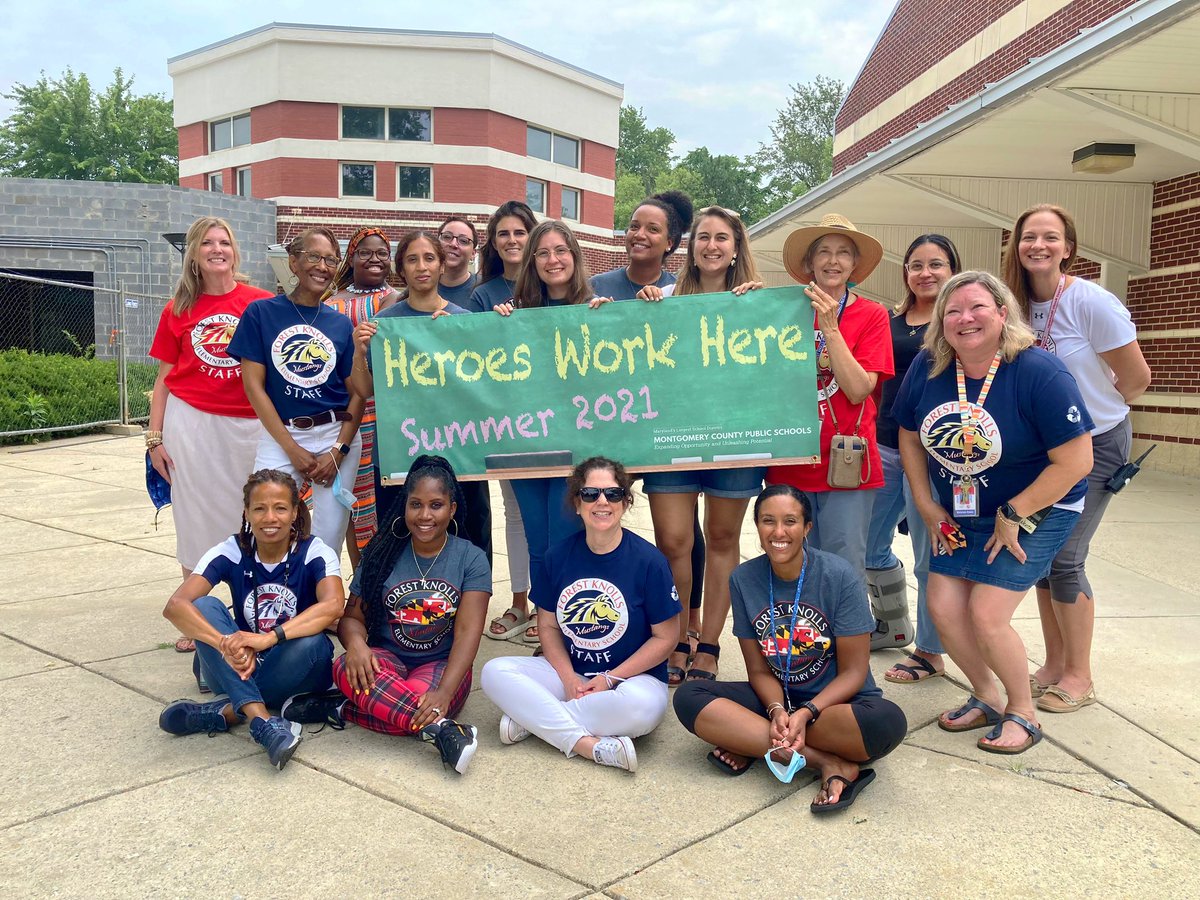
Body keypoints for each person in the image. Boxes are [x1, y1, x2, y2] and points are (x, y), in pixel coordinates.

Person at [893, 271, 1094, 754]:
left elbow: (1076, 460)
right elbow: (908, 434)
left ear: (1003, 313)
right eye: (953, 311)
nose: (965, 319)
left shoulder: (1039, 370)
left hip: (1039, 504)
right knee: (943, 608)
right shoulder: (930, 366)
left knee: (986, 613)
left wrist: (1014, 511)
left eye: (978, 307)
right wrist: (925, 502)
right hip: (961, 508)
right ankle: (985, 694)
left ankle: (1021, 710)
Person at [673, 485, 907, 812]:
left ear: (807, 528)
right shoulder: (743, 579)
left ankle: (750, 741)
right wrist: (776, 711)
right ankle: (826, 762)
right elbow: (757, 669)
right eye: (768, 521)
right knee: (689, 697)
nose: (779, 532)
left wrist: (806, 713)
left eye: (790, 521)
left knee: (887, 723)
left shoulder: (838, 575)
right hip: (779, 700)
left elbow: (855, 672)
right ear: (757, 526)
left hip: (836, 707)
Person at [1003, 204, 1151, 713]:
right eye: (1028, 237)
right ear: (1016, 245)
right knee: (1045, 560)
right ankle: (1054, 664)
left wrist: (1089, 415)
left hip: (1098, 444)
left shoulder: (1092, 302)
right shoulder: (1015, 305)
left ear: (1069, 247)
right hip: (1045, 451)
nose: (1038, 246)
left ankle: (1080, 676)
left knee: (1067, 558)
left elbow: (1135, 379)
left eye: (1050, 237)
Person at [281, 456, 489, 774]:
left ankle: (343, 708)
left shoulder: (470, 558)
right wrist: (357, 647)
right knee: (345, 665)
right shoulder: (382, 552)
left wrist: (445, 692)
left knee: (419, 704)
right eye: (416, 504)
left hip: (440, 665)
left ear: (452, 509)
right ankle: (443, 730)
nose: (424, 515)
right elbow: (352, 617)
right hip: (387, 658)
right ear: (404, 506)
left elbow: (468, 633)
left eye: (436, 505)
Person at [481, 457, 681, 772]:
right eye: (590, 494)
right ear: (577, 503)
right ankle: (588, 745)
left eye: (612, 494)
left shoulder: (650, 561)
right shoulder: (557, 556)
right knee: (494, 672)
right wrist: (567, 677)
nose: (602, 502)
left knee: (644, 709)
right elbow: (547, 626)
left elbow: (667, 637)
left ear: (625, 503)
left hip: (630, 680)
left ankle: (533, 720)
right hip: (572, 676)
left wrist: (610, 678)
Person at [635, 206, 766, 684]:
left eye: (722, 239)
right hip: (671, 437)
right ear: (690, 247)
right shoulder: (664, 298)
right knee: (673, 541)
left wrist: (763, 308)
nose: (711, 246)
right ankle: (676, 636)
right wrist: (636, 310)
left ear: (736, 248)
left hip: (734, 436)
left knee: (724, 540)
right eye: (703, 237)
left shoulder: (755, 301)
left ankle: (708, 643)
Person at [158, 469, 345, 771]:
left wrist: (268, 638)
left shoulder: (315, 552)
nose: (270, 518)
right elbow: (175, 606)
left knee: (314, 643)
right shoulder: (232, 550)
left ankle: (229, 711)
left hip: (294, 664)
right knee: (204, 606)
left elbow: (334, 605)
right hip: (239, 661)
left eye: (280, 508)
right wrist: (223, 642)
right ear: (246, 512)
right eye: (259, 508)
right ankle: (261, 719)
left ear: (296, 511)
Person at [767, 214, 894, 635]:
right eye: (823, 251)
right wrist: (742, 304)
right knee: (789, 563)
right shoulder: (779, 311)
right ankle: (801, 651)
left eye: (843, 253)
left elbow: (859, 389)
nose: (833, 261)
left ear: (855, 265)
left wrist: (829, 328)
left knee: (842, 568)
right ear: (809, 263)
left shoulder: (873, 315)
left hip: (847, 464)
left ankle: (850, 666)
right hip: (790, 458)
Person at [490, 221, 613, 647]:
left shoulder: (599, 309)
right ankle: (550, 627)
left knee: (567, 537)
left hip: (578, 448)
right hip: (528, 444)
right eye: (542, 253)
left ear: (575, 257)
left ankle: (572, 625)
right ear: (532, 262)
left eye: (560, 251)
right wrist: (499, 326)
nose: (552, 260)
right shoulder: (516, 314)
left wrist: (613, 321)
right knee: (539, 541)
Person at [147, 216, 273, 607]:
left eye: (224, 243)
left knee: (257, 510)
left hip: (251, 424)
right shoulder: (178, 309)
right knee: (193, 513)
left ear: (235, 252)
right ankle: (196, 606)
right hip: (192, 422)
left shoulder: (263, 303)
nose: (217, 249)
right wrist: (154, 438)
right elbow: (164, 379)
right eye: (207, 244)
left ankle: (256, 600)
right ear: (194, 256)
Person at [348, 231, 491, 566]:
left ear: (442, 266)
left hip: (462, 451)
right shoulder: (384, 325)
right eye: (412, 259)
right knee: (398, 537)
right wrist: (359, 351)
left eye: (429, 258)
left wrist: (458, 341)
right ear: (402, 269)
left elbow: (487, 389)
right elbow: (365, 391)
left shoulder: (466, 321)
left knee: (469, 537)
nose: (422, 267)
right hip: (401, 453)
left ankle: (467, 611)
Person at [227, 227, 363, 557]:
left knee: (328, 535)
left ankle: (320, 605)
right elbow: (254, 388)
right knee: (266, 519)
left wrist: (338, 451)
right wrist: (292, 449)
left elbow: (358, 394)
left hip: (335, 434)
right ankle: (270, 596)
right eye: (313, 257)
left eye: (331, 260)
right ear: (293, 262)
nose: (323, 266)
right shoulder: (261, 314)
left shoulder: (342, 324)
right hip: (282, 435)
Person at [868, 235, 962, 681]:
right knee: (867, 545)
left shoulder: (961, 321)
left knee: (930, 556)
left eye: (936, 264)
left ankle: (930, 650)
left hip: (938, 455)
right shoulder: (889, 321)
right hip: (886, 444)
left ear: (952, 269)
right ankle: (891, 625)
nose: (925, 273)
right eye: (916, 265)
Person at [323, 227, 403, 563]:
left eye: (381, 253)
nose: (374, 259)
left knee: (375, 497)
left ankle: (372, 584)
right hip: (340, 407)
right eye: (365, 252)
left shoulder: (395, 298)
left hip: (381, 410)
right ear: (351, 257)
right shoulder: (330, 300)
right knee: (349, 497)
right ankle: (356, 582)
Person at [591, 190, 692, 299]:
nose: (639, 235)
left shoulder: (680, 291)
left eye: (653, 229)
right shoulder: (595, 286)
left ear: (669, 243)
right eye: (634, 226)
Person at [466, 200, 536, 313]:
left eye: (519, 233)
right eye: (503, 234)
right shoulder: (482, 295)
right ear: (494, 243)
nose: (512, 240)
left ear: (532, 238)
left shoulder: (548, 286)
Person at [436, 216, 478, 308]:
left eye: (463, 241)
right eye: (447, 237)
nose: (453, 244)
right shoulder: (421, 286)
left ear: (473, 253)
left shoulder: (485, 288)